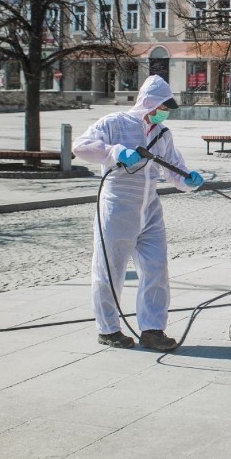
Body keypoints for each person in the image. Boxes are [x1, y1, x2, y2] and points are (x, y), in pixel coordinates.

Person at [72, 75, 206, 351]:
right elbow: (81, 146)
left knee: (156, 267)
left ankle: (152, 329)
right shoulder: (114, 123)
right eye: (162, 107)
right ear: (148, 103)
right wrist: (116, 152)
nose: (164, 113)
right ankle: (108, 330)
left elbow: (173, 167)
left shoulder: (162, 134)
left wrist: (188, 180)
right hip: (117, 205)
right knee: (110, 269)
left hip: (150, 207)